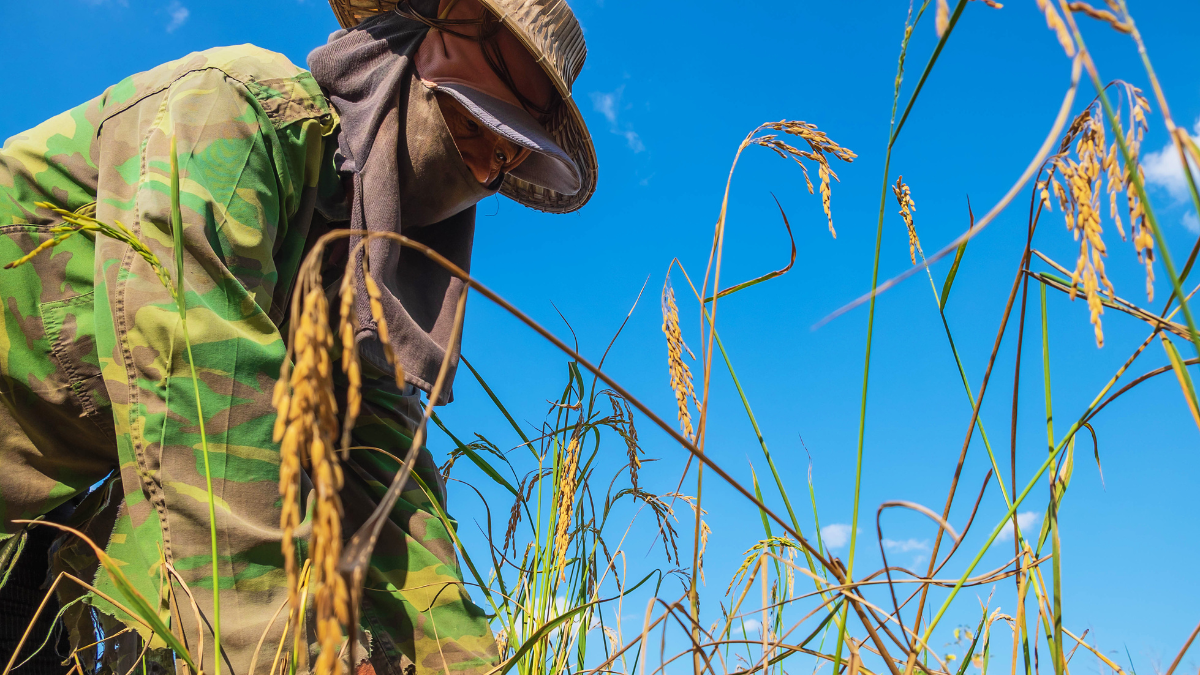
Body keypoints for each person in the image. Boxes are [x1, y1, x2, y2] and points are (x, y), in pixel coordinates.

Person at [0, 0, 596, 672]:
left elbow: (393, 500)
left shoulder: (358, 277)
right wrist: (307, 656)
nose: (481, 168)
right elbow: (200, 410)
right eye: (473, 122)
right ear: (425, 37)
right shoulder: (235, 117)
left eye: (502, 157)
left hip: (40, 530)